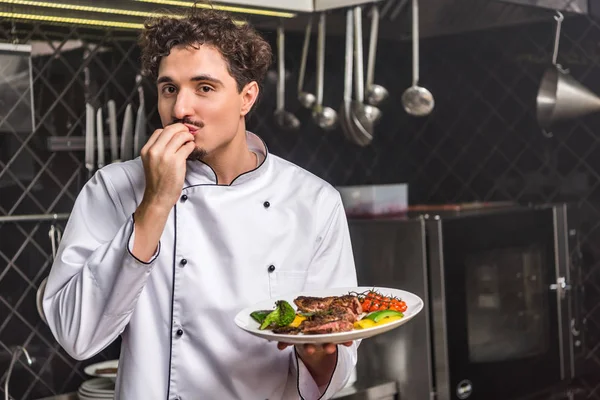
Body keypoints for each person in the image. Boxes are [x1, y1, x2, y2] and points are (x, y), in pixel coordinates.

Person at [42, 4, 359, 400]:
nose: (179, 109)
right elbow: (75, 336)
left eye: (204, 88)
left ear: (247, 98)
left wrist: (318, 355)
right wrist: (154, 205)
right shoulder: (113, 188)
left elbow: (340, 367)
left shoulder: (313, 202)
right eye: (169, 88)